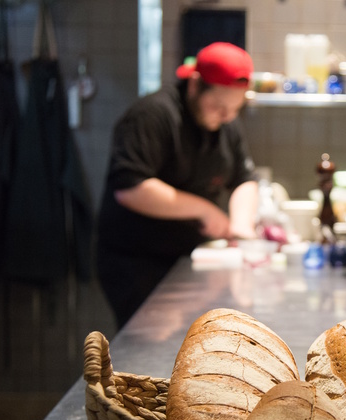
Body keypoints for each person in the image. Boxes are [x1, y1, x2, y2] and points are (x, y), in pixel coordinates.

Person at [96, 42, 259, 328]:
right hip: (138, 263)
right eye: (219, 107)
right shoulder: (152, 116)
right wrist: (204, 210)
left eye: (235, 109)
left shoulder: (225, 123)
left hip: (187, 262)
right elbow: (132, 188)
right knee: (152, 343)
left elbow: (244, 179)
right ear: (195, 85)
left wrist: (241, 228)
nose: (227, 117)